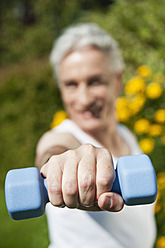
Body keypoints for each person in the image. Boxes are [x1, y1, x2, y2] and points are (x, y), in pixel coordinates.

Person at [35, 23, 157, 248]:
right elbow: (52, 150)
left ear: (117, 80)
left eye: (95, 81)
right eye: (71, 85)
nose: (84, 99)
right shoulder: (62, 136)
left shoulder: (126, 134)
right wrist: (58, 167)